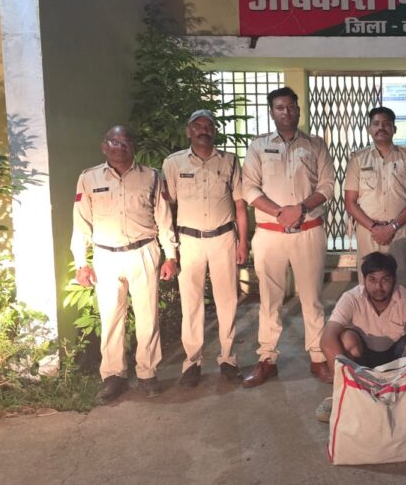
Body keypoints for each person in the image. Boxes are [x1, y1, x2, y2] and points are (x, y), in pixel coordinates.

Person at [71, 126, 178, 404]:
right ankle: (113, 376)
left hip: (143, 252)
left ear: (134, 146)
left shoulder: (151, 176)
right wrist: (81, 262)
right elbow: (81, 222)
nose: (120, 145)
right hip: (106, 256)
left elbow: (164, 218)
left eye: (126, 141)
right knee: (111, 318)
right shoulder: (88, 178)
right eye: (114, 141)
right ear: (104, 146)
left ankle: (147, 373)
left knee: (148, 316)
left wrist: (170, 255)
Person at [240, 86, 336, 387]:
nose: (286, 112)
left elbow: (328, 185)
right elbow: (248, 187)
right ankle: (267, 359)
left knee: (312, 299)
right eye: (280, 107)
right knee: (270, 300)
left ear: (298, 110)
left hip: (309, 232)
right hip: (270, 234)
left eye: (291, 107)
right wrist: (279, 212)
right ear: (271, 112)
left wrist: (300, 208)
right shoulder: (258, 146)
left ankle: (318, 358)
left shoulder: (316, 145)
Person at [162, 110, 248, 388]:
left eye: (209, 125)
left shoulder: (230, 161)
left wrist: (243, 242)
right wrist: (170, 250)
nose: (203, 130)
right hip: (189, 241)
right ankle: (192, 363)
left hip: (224, 238)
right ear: (188, 131)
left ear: (215, 131)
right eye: (197, 125)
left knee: (227, 301)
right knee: (192, 303)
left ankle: (228, 358)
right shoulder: (173, 163)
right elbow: (167, 208)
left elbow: (240, 204)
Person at [321, 252, 406, 373]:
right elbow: (327, 339)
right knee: (347, 339)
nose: (378, 287)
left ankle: (403, 379)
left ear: (394, 280)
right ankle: (351, 379)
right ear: (364, 280)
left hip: (396, 358)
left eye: (385, 280)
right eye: (372, 279)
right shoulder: (351, 298)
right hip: (361, 356)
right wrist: (340, 377)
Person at [344, 107, 406, 287]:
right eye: (376, 124)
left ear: (394, 129)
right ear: (369, 129)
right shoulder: (358, 159)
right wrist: (374, 228)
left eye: (386, 124)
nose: (381, 128)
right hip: (367, 232)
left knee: (398, 281)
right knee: (368, 283)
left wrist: (391, 227)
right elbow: (350, 202)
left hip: (398, 230)